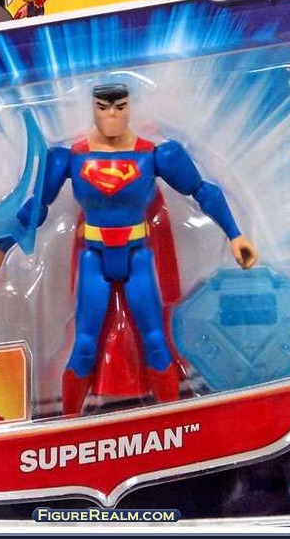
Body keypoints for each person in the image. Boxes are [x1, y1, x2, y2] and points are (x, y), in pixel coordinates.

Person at [15, 83, 259, 414]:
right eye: (103, 107)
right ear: (93, 108)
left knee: (155, 339)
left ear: (129, 107)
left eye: (119, 107)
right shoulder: (69, 158)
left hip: (137, 255)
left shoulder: (156, 155)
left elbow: (203, 191)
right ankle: (69, 421)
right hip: (94, 257)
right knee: (85, 344)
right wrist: (0, 246)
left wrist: (235, 235)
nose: (112, 115)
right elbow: (35, 211)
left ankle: (173, 416)